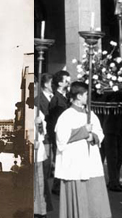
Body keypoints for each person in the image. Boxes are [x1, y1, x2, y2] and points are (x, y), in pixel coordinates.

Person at [55, 81, 111, 218]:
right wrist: (83, 131)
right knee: (79, 197)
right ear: (79, 96)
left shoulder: (90, 114)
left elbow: (100, 132)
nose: (89, 97)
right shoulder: (66, 115)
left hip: (91, 162)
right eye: (87, 94)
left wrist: (93, 136)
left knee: (95, 196)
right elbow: (61, 139)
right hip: (75, 164)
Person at [48, 70, 70, 195]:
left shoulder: (64, 97)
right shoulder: (56, 99)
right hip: (59, 135)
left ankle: (60, 184)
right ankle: (56, 186)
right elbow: (53, 121)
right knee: (59, 160)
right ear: (60, 83)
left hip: (65, 134)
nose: (69, 82)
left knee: (63, 160)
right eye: (67, 80)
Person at [34, 73, 53, 216]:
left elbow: (42, 128)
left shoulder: (36, 109)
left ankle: (41, 210)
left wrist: (40, 125)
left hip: (40, 149)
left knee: (41, 181)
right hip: (35, 150)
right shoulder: (35, 103)